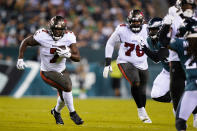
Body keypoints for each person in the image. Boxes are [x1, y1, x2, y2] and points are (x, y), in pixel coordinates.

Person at [16, 16, 84, 125]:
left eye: (60, 30)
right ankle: (73, 113)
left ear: (64, 30)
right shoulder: (42, 35)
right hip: (47, 72)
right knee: (67, 87)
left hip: (62, 69)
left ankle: (56, 112)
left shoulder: (69, 36)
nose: (57, 32)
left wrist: (69, 54)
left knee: (64, 96)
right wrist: (20, 58)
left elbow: (77, 57)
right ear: (50, 28)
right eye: (55, 29)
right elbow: (25, 42)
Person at [103, 9, 152, 123]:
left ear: (142, 21)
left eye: (137, 21)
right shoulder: (122, 29)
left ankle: (143, 111)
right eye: (133, 21)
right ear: (129, 21)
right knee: (135, 81)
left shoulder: (147, 29)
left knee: (142, 90)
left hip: (142, 63)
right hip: (125, 61)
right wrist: (107, 63)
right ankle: (141, 111)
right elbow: (110, 43)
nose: (135, 24)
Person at [140, 17, 171, 103]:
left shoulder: (169, 39)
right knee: (156, 94)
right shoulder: (150, 40)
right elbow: (157, 60)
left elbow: (158, 56)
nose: (151, 32)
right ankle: (180, 101)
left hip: (183, 72)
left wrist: (144, 48)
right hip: (167, 71)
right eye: (150, 30)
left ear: (161, 29)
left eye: (154, 30)